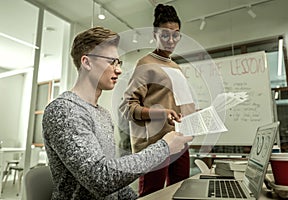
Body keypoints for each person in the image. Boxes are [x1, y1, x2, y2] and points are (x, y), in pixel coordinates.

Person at [42, 26, 193, 200]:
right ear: (87, 62)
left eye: (118, 62)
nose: (118, 70)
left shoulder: (103, 114)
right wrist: (164, 147)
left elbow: (114, 183)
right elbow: (101, 178)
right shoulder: (64, 111)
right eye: (110, 61)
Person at [119, 4, 196, 197]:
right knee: (151, 195)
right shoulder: (145, 64)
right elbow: (127, 107)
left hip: (180, 141)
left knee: (181, 192)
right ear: (155, 35)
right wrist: (160, 113)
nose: (171, 40)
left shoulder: (176, 67)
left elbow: (179, 102)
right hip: (155, 145)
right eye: (165, 35)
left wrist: (195, 117)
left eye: (176, 34)